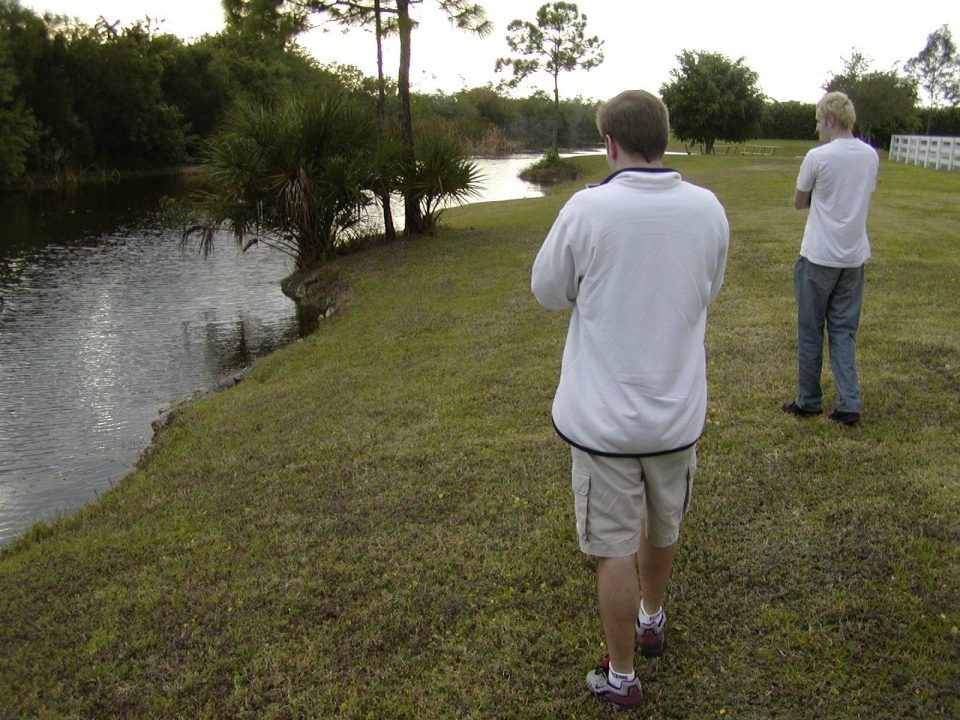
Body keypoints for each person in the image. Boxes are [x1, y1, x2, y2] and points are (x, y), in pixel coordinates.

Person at [531, 89, 729, 710]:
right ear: (664, 139)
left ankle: (621, 675)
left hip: (604, 425)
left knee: (612, 545)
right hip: (675, 415)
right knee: (663, 523)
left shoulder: (587, 210)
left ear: (610, 144)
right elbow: (707, 289)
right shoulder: (708, 209)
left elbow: (548, 291)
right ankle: (652, 615)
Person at [782, 91, 879, 426]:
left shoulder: (817, 157)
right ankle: (848, 401)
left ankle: (809, 399)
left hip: (819, 256)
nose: (818, 128)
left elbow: (798, 201)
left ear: (831, 119)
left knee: (811, 329)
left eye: (819, 121)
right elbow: (860, 196)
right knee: (843, 330)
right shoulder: (869, 156)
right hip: (853, 258)